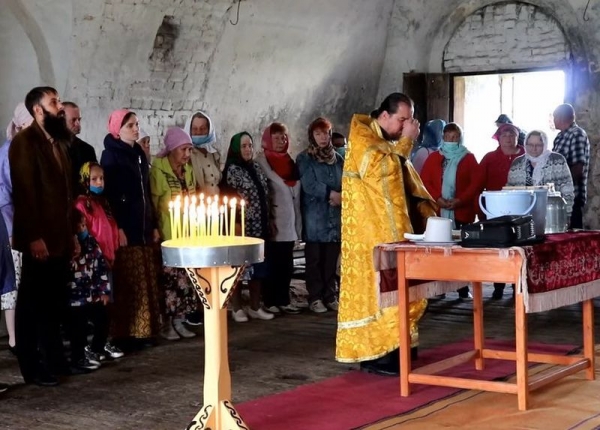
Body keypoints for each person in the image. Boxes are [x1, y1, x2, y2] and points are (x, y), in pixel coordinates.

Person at [337, 93, 436, 376]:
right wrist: (407, 142)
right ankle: (378, 355)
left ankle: (399, 347)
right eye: (402, 120)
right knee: (381, 291)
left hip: (386, 230)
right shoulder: (363, 139)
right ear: (384, 116)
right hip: (370, 236)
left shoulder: (381, 140)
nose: (406, 126)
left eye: (409, 120)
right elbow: (384, 172)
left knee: (401, 288)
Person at [10, 86, 78, 386]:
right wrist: (34, 236)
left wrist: (72, 233)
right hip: (39, 239)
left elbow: (66, 194)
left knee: (54, 302)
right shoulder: (24, 143)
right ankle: (32, 365)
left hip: (60, 237)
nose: (59, 107)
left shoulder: (59, 144)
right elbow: (25, 193)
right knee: (31, 304)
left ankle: (54, 359)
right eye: (54, 103)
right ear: (38, 110)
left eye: (59, 101)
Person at [101, 109, 162, 347]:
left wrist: (153, 224)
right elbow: (113, 196)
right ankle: (127, 334)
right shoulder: (111, 156)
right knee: (130, 282)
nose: (136, 129)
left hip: (143, 224)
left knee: (145, 279)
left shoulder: (138, 153)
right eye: (130, 126)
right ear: (118, 129)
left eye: (136, 124)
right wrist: (119, 227)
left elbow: (145, 192)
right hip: (127, 226)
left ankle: (145, 330)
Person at [420, 122, 481, 299]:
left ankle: (462, 287)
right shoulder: (433, 158)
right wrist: (438, 198)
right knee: (438, 251)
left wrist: (459, 200)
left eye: (454, 137)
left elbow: (475, 183)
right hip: (438, 212)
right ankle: (439, 286)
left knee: (461, 251)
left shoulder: (468, 158)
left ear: (459, 138)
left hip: (461, 211)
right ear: (443, 138)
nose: (451, 140)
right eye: (448, 137)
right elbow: (424, 181)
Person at [150, 127, 199, 339]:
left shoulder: (188, 171)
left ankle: (180, 319)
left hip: (188, 233)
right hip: (168, 233)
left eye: (189, 149)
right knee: (169, 281)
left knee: (184, 280)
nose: (187, 154)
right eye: (183, 149)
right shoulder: (158, 171)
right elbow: (154, 202)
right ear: (171, 149)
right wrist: (157, 227)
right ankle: (167, 323)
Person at [221, 132, 273, 322]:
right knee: (239, 268)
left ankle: (255, 305)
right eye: (243, 146)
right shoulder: (232, 170)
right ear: (236, 148)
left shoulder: (257, 168)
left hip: (260, 226)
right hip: (241, 228)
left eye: (250, 145)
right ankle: (236, 307)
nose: (248, 149)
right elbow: (228, 198)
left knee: (259, 267)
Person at [74, 162, 124, 359]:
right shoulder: (81, 204)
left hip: (107, 260)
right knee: (96, 306)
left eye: (101, 178)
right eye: (94, 179)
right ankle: (92, 346)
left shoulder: (103, 202)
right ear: (85, 180)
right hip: (93, 263)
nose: (99, 182)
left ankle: (102, 343)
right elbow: (85, 232)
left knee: (107, 303)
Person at [296, 117, 343, 313]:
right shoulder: (305, 158)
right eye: (318, 134)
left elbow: (346, 181)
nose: (323, 138)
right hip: (315, 217)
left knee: (331, 259)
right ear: (312, 136)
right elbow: (309, 184)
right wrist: (330, 194)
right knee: (314, 259)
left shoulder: (338, 159)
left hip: (334, 217)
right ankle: (315, 296)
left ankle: (330, 294)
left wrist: (341, 195)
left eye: (326, 133)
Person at [256, 123, 303, 315]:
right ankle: (270, 300)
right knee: (272, 263)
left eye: (283, 137)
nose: (280, 141)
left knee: (286, 264)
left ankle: (283, 299)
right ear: (268, 140)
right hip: (274, 221)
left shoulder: (290, 162)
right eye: (276, 138)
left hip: (290, 221)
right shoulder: (262, 162)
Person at [0, 103, 33, 354]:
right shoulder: (9, 153)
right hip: (13, 229)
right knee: (14, 285)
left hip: (32, 228)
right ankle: (14, 338)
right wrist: (12, 230)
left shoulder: (35, 151)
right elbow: (5, 195)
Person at [480, 122, 525, 300]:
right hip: (495, 210)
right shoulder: (489, 158)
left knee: (519, 248)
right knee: (498, 248)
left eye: (512, 135)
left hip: (520, 209)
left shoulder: (525, 156)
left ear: (517, 137)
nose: (508, 139)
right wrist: (480, 208)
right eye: (504, 135)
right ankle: (498, 285)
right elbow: (478, 183)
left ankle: (518, 286)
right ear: (498, 138)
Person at [66, 210, 112, 372]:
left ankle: (95, 350)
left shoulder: (92, 244)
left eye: (85, 225)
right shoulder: (68, 248)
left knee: (103, 319)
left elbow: (100, 269)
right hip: (75, 299)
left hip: (92, 295)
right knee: (78, 330)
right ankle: (78, 357)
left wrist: (103, 291)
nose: (83, 229)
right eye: (80, 226)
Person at [507, 130, 574, 215]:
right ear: (525, 145)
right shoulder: (517, 163)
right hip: (523, 213)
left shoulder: (557, 160)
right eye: (530, 145)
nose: (534, 148)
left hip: (552, 213)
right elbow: (510, 190)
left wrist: (567, 213)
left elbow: (567, 189)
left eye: (538, 145)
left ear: (545, 145)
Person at [552, 104, 590, 229]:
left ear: (562, 117)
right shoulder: (559, 137)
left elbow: (578, 168)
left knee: (572, 236)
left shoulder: (577, 134)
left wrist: (561, 186)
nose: (553, 120)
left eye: (554, 117)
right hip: (558, 196)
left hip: (572, 197)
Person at [63, 101, 98, 195]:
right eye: (73, 120)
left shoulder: (87, 150)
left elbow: (93, 181)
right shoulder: (50, 147)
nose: (78, 124)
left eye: (79, 119)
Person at [184, 111, 221, 195]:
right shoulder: (187, 155)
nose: (198, 132)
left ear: (209, 130)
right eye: (194, 129)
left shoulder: (214, 154)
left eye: (203, 128)